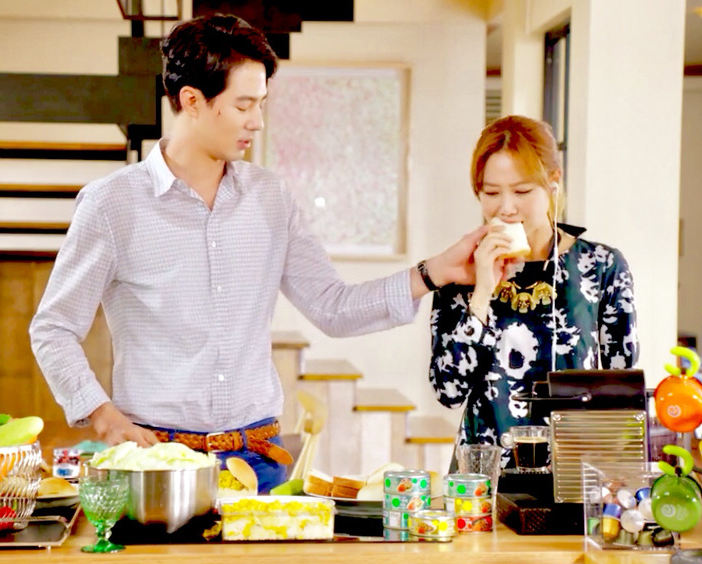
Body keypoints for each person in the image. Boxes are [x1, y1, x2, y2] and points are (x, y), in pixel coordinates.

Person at [30, 13, 484, 492]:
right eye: (244, 104)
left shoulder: (271, 198)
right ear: (192, 101)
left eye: (261, 103)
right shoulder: (111, 205)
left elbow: (332, 307)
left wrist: (434, 272)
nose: (258, 121)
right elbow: (53, 328)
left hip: (260, 463)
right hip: (155, 464)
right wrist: (102, 415)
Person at [428, 115, 639, 470]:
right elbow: (448, 391)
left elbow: (621, 390)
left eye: (522, 191)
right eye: (491, 193)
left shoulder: (602, 266)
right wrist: (482, 290)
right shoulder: (460, 269)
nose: (506, 207)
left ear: (553, 182)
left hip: (575, 476)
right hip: (482, 478)